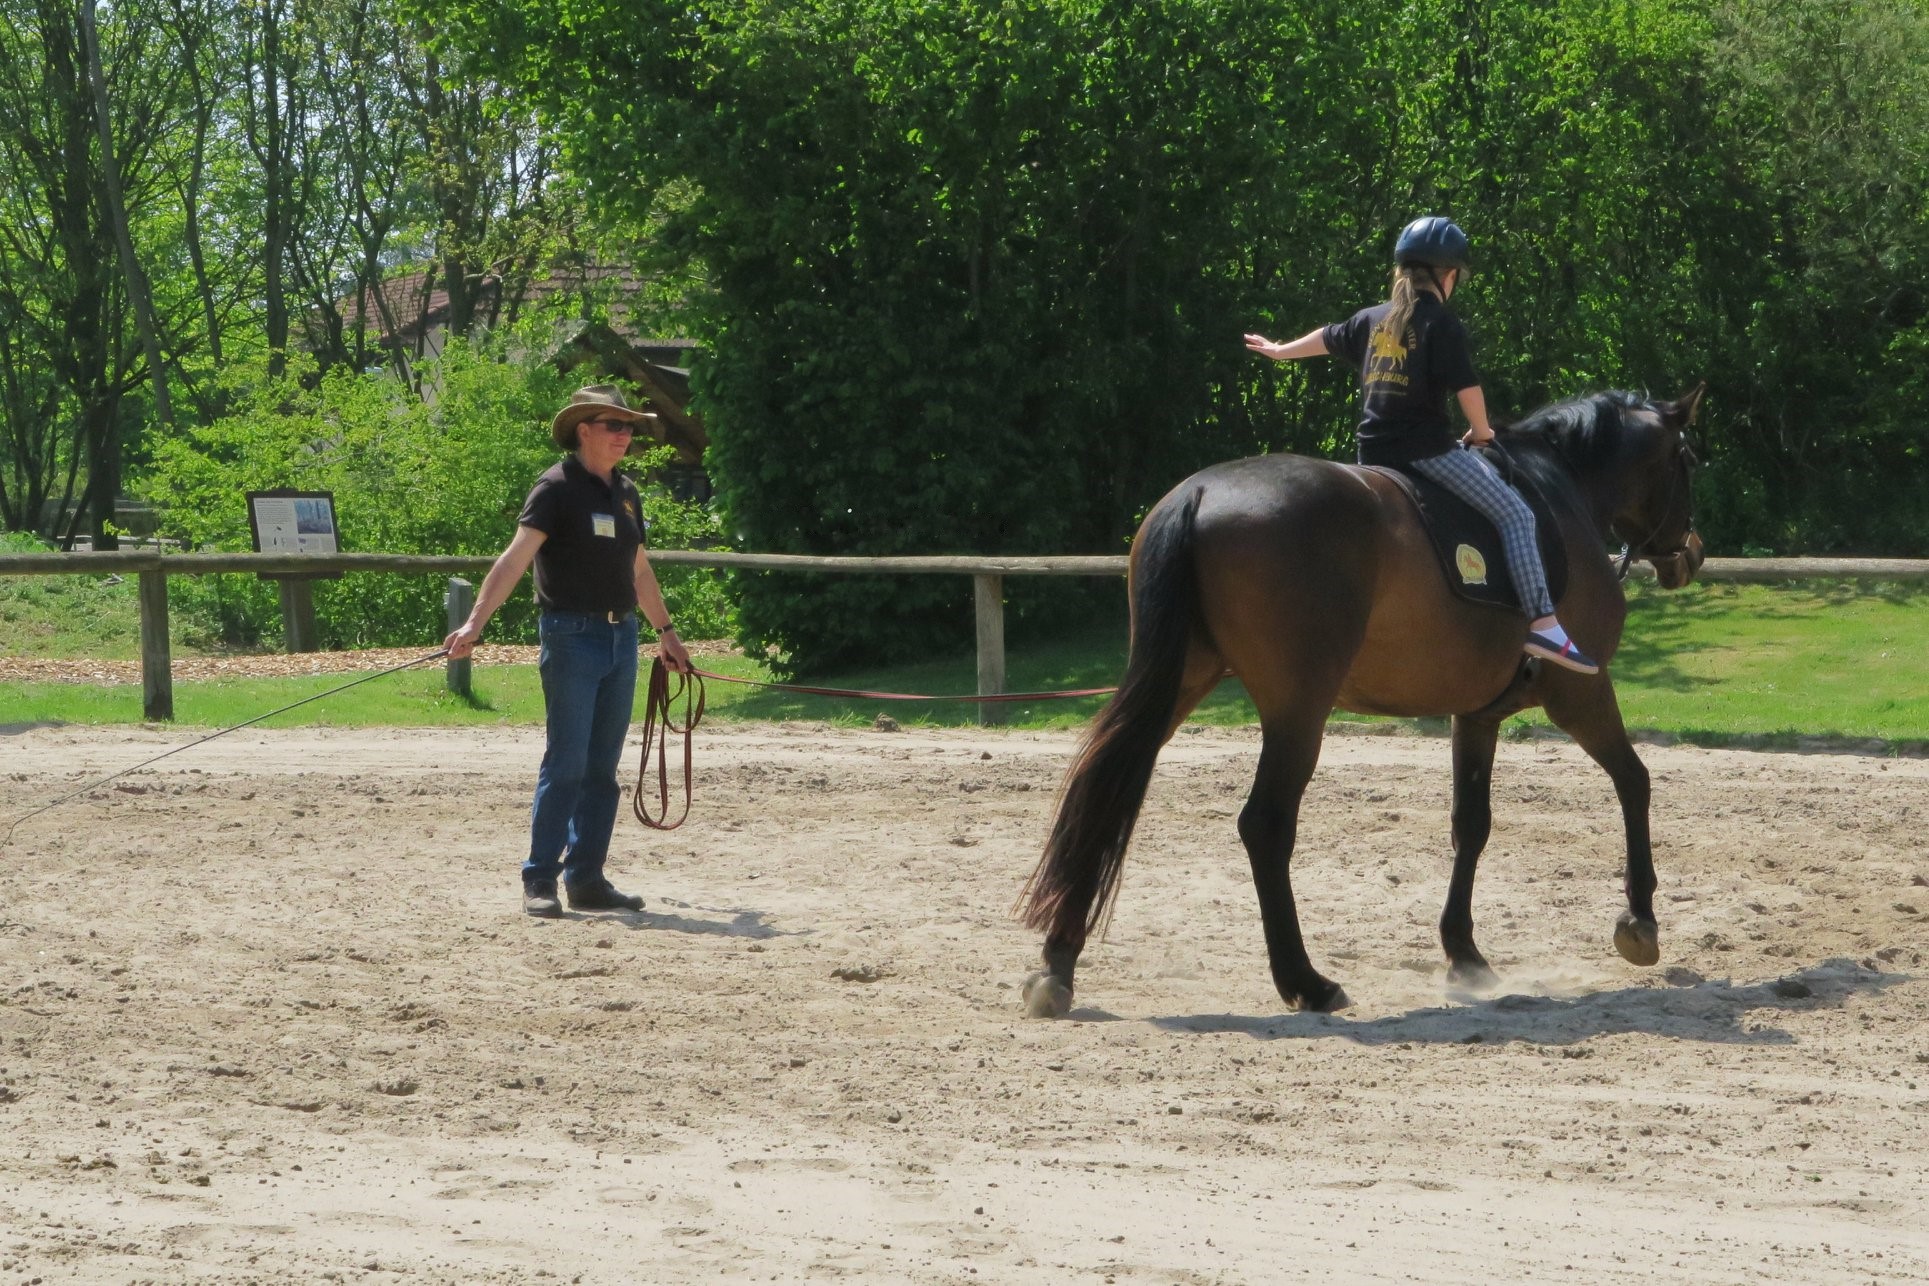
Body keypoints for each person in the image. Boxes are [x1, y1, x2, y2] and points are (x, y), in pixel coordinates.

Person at [1242, 215, 1599, 674]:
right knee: (1515, 512)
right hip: (1428, 455)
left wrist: (1278, 349)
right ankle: (1544, 624)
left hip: (1371, 455)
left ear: (1401, 271)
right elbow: (1468, 390)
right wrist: (1484, 432)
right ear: (1448, 276)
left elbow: (1328, 338)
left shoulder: (1372, 320)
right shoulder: (1441, 324)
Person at [443, 384, 694, 917]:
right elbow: (514, 561)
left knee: (603, 767)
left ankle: (586, 877)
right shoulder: (555, 488)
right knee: (567, 762)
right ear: (584, 429)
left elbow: (639, 569)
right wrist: (474, 624)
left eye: (628, 427)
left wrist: (666, 631)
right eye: (613, 425)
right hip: (572, 635)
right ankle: (540, 878)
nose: (624, 435)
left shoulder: (626, 492)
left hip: (621, 637)